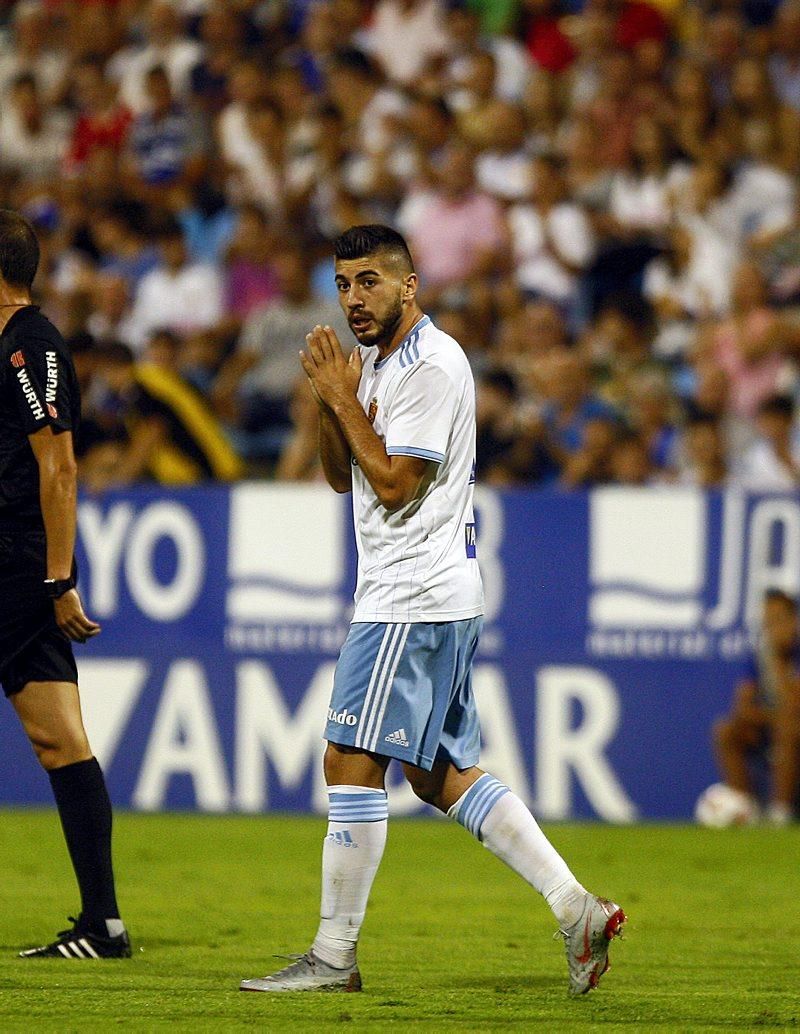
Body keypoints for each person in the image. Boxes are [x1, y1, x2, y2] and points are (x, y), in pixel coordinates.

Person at [240, 224, 626, 997]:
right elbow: (335, 475)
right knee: (436, 772)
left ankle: (332, 956)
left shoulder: (432, 365)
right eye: (344, 284)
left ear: (409, 284)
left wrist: (345, 397)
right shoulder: (377, 364)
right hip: (424, 594)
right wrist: (329, 400)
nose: (354, 298)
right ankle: (574, 906)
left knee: (348, 761)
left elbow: (394, 484)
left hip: (410, 595)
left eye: (370, 282)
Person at [0, 210, 130, 958]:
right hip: (18, 569)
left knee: (63, 741)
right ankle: (103, 923)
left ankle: (103, 920)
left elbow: (60, 464)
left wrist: (58, 579)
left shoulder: (31, 342)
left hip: (15, 567)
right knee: (60, 742)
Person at [713, 589, 800, 825]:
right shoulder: (759, 657)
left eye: (778, 620)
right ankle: (745, 809)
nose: (772, 629)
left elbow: (794, 704)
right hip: (772, 727)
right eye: (767, 622)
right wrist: (769, 717)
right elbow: (743, 706)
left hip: (793, 732)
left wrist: (780, 666)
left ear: (795, 621)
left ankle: (780, 813)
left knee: (790, 726)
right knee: (726, 731)